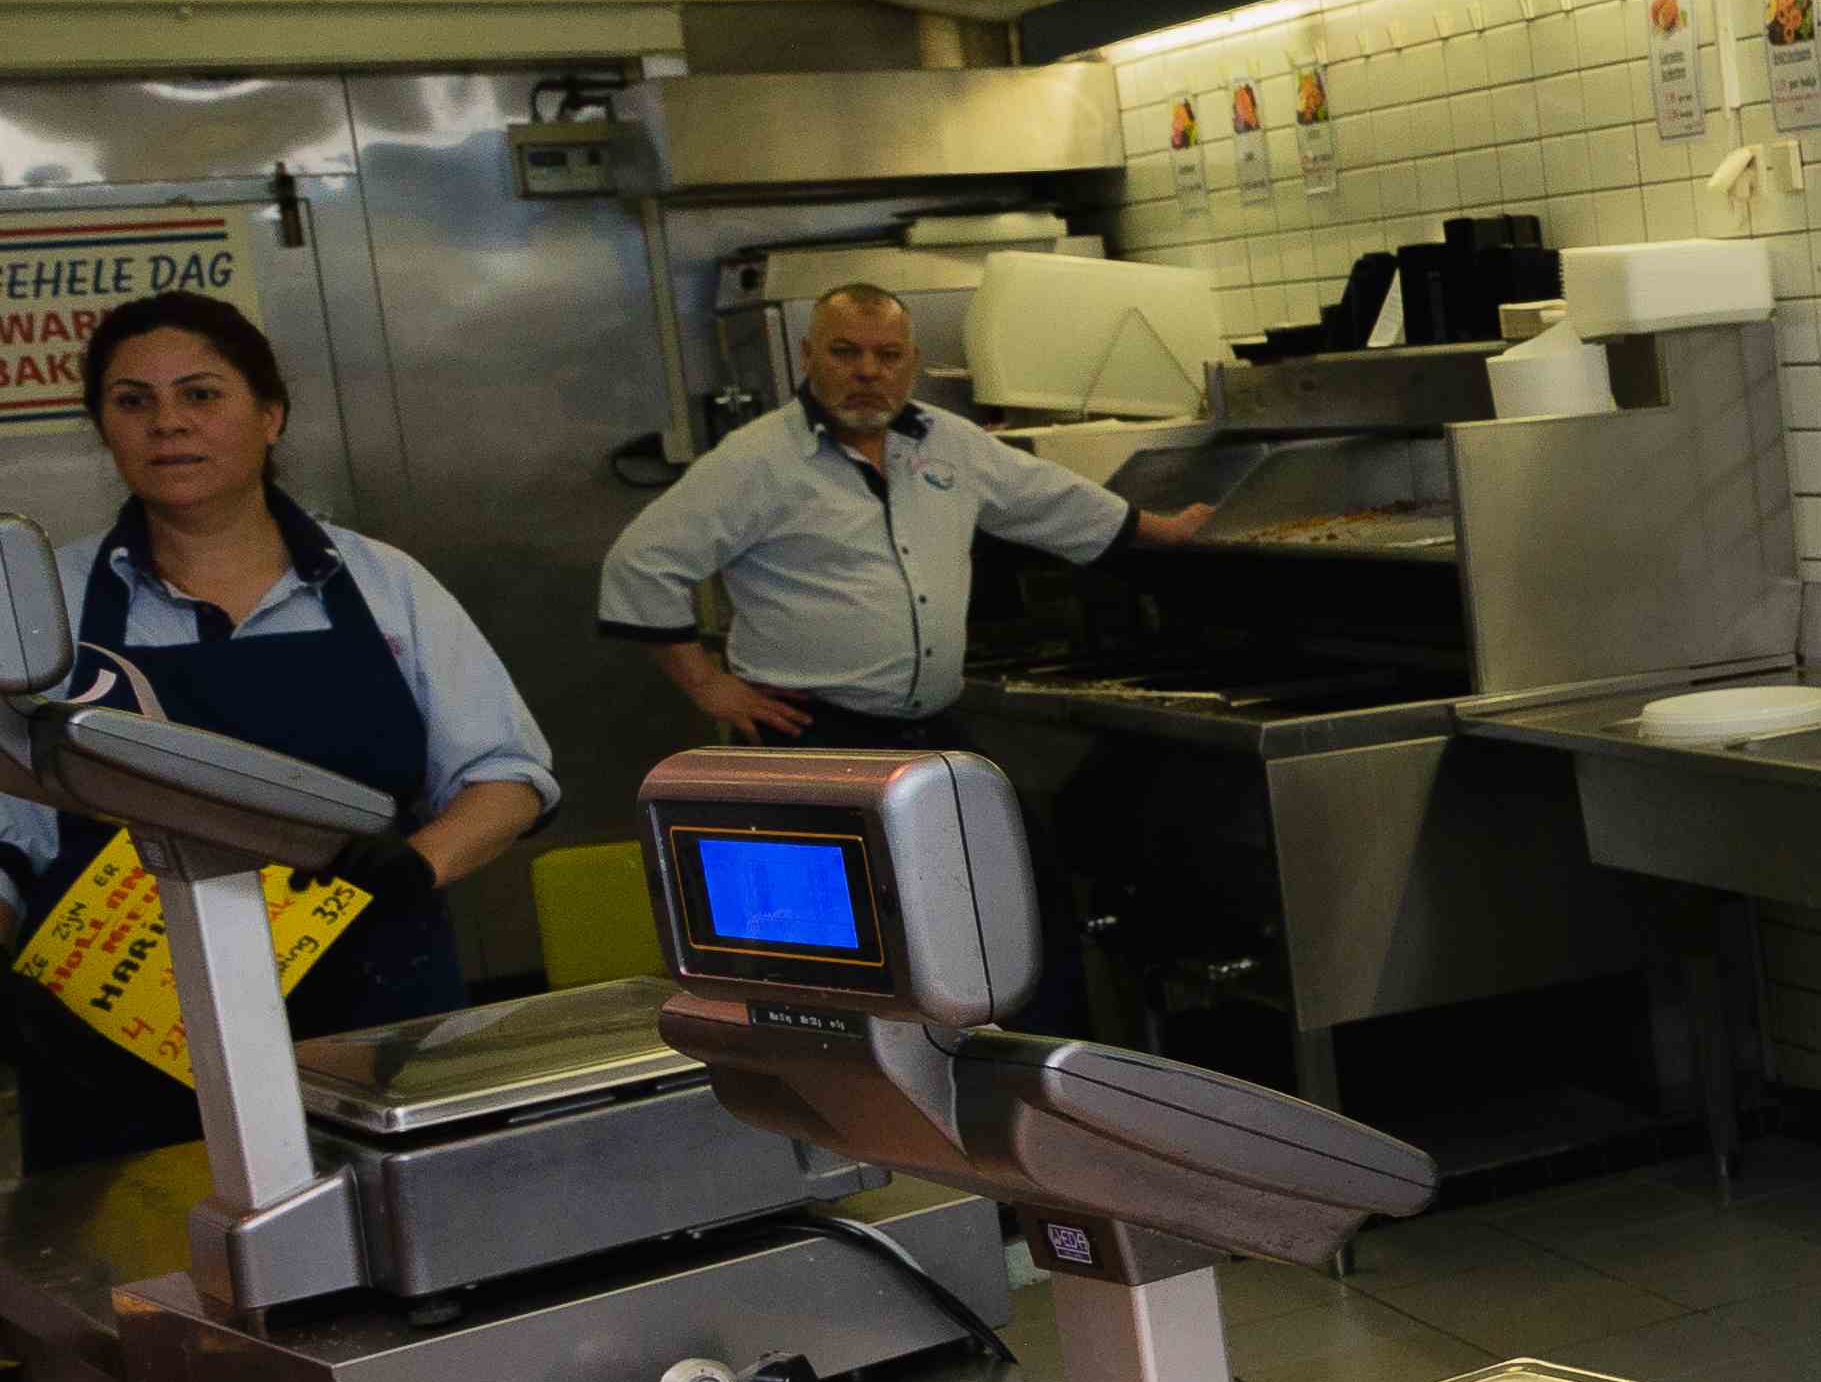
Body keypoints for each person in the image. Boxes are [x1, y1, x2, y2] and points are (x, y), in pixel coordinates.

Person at [2, 293, 560, 1169]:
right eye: (133, 401)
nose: (167, 424)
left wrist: (419, 863)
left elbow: (508, 776)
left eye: (200, 395)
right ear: (104, 428)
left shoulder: (384, 583)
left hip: (373, 1016)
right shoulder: (47, 605)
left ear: (270, 416)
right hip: (116, 1030)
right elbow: (9, 830)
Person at [596, 281, 1207, 748]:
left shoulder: (948, 441)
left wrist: (1167, 529)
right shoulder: (758, 458)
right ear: (808, 356)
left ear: (911, 363)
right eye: (845, 352)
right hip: (808, 735)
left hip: (928, 729)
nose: (868, 371)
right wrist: (709, 686)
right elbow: (642, 563)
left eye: (888, 355)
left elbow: (1047, 497)